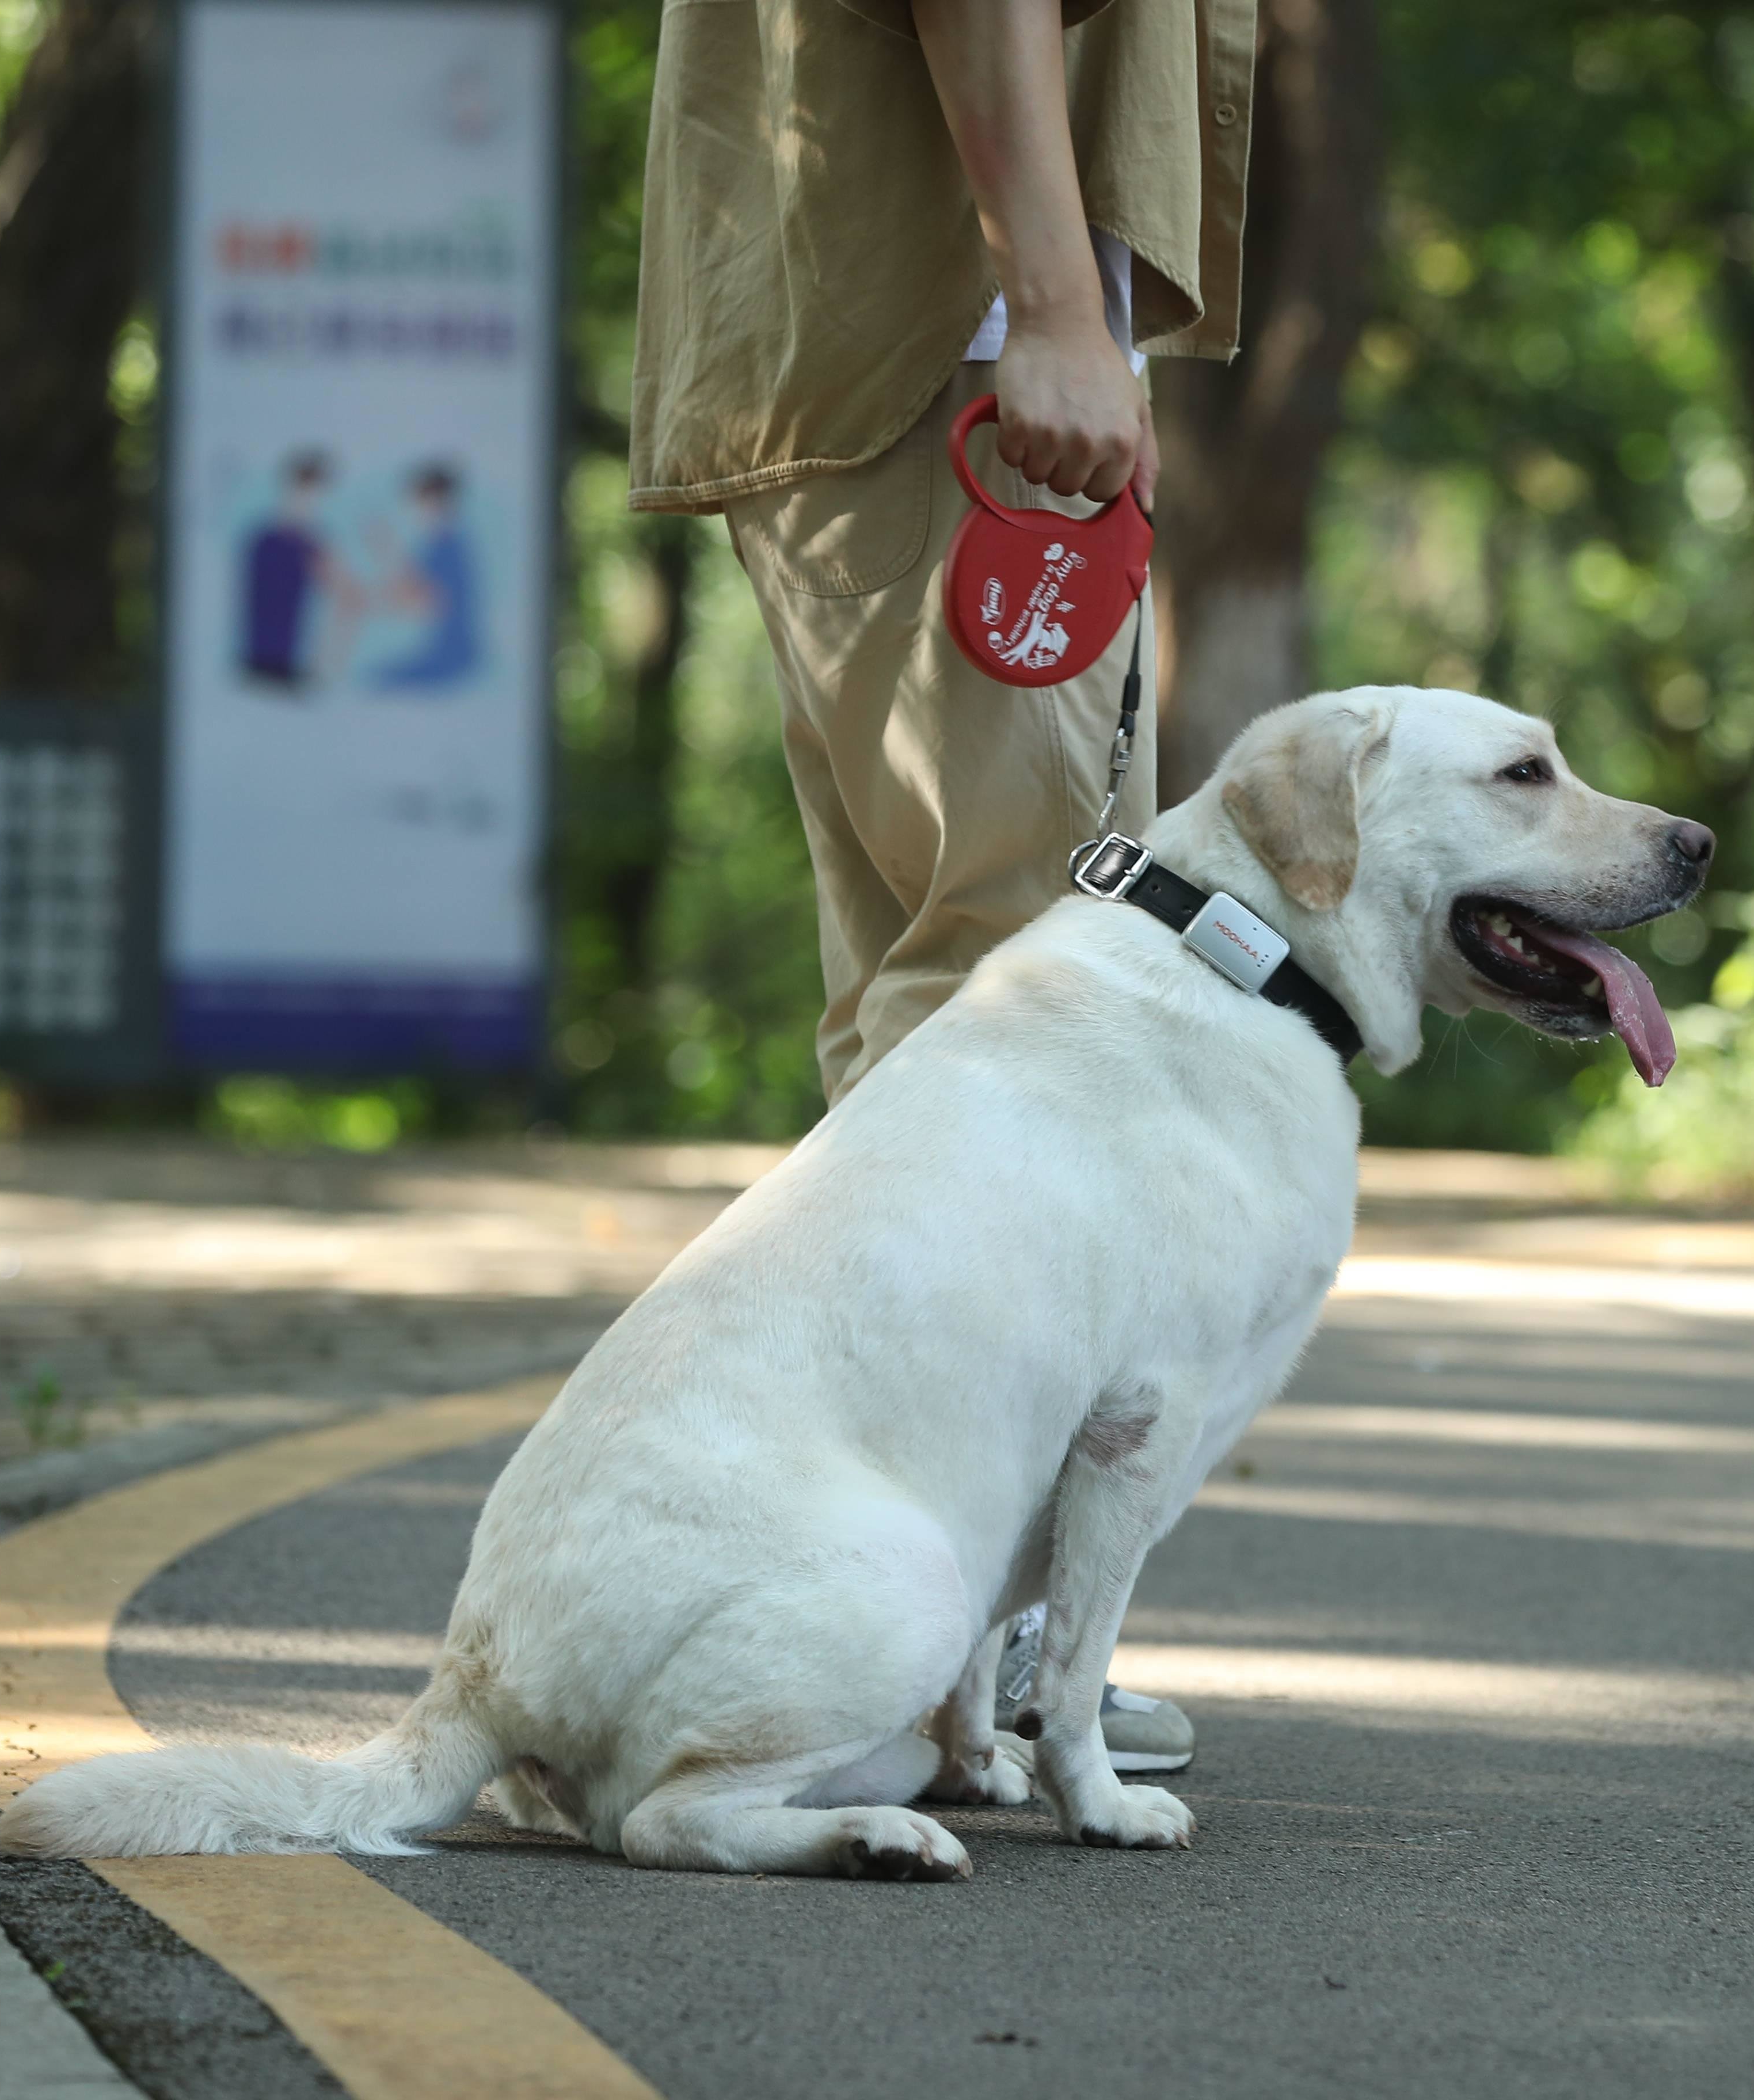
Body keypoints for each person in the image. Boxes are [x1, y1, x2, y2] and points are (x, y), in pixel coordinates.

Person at [629, 0, 1261, 1774]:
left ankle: (898, 1623)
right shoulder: (1005, 342)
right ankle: (940, 1645)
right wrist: (1059, 308)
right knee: (1019, 1005)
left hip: (895, 357)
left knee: (928, 1011)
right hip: (960, 371)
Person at [238, 450, 355, 689]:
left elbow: (340, 585)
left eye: (315, 490)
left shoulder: (310, 540)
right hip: (265, 663)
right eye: (305, 487)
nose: (310, 497)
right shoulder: (267, 541)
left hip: (285, 663)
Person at [368, 462, 482, 691]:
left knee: (380, 680)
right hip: (445, 650)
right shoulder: (443, 544)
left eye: (419, 502)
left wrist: (387, 551)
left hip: (453, 655)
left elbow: (423, 598)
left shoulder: (448, 548)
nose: (416, 511)